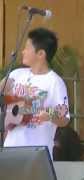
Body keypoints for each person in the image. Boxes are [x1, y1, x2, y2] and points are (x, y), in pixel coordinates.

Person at [3, 27, 70, 158]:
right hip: (10, 150)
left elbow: (64, 118)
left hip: (37, 154)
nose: (23, 51)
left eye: (27, 48)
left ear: (41, 54)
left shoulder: (55, 82)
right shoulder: (16, 75)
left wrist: (50, 115)